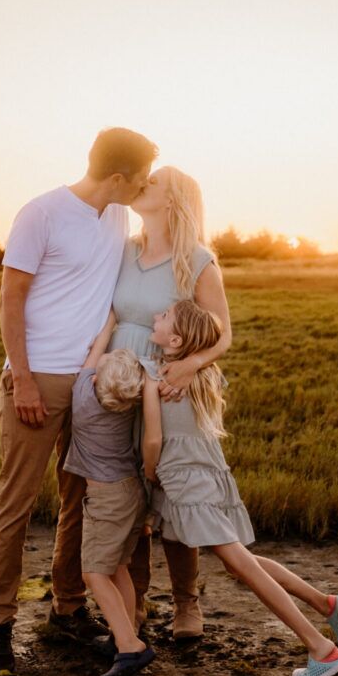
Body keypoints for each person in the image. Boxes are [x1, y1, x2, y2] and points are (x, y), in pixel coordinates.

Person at [0, 128, 158, 676]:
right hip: (38, 380)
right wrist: (24, 380)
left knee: (81, 500)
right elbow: (10, 298)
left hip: (92, 386)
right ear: (120, 178)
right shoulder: (41, 214)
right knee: (15, 502)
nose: (146, 186)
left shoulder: (118, 217)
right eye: (142, 177)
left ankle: (69, 607)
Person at [141, 300, 338, 676]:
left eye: (163, 317)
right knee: (240, 562)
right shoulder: (204, 373)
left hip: (184, 479)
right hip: (211, 475)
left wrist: (149, 470)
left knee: (242, 564)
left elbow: (154, 438)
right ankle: (325, 605)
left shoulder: (158, 375)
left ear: (174, 340)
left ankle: (321, 649)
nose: (155, 317)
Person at [109, 166, 232, 639]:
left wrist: (189, 365)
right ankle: (135, 602)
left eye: (154, 183)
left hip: (170, 386)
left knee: (176, 493)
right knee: (129, 493)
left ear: (174, 201)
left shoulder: (197, 260)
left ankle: (186, 603)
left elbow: (222, 333)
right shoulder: (124, 251)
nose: (143, 185)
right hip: (120, 383)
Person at [62, 320, 157, 676]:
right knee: (118, 568)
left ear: (99, 382)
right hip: (133, 491)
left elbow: (93, 353)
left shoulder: (84, 398)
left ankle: (132, 648)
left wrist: (109, 323)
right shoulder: (127, 407)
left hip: (106, 498)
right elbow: (103, 367)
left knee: (94, 573)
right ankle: (125, 635)